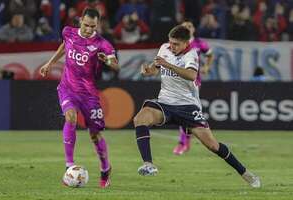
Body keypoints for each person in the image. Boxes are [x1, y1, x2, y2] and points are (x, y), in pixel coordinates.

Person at [133, 25, 261, 188]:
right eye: (171, 42)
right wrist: (147, 70)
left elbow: (192, 75)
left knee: (213, 145)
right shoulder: (164, 48)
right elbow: (154, 69)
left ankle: (245, 173)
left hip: (187, 107)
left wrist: (168, 64)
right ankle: (148, 164)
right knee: (140, 118)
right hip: (165, 102)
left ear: (186, 44)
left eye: (176, 44)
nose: (172, 47)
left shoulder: (191, 54)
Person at [40, 8, 119, 188]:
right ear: (80, 20)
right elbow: (64, 46)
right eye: (86, 25)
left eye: (93, 26)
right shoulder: (68, 32)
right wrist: (50, 62)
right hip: (67, 88)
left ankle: (105, 168)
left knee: (95, 135)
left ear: (97, 24)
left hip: (89, 95)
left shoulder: (102, 43)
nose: (89, 29)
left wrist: (106, 60)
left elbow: (115, 65)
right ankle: (69, 165)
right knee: (71, 117)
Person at [173, 20, 214, 155]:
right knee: (183, 112)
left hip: (194, 82)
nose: (187, 28)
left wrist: (207, 66)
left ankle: (184, 142)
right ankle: (184, 142)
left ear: (194, 29)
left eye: (190, 26)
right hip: (179, 81)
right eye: (185, 26)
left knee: (186, 112)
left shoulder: (198, 43)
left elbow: (210, 54)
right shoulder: (177, 43)